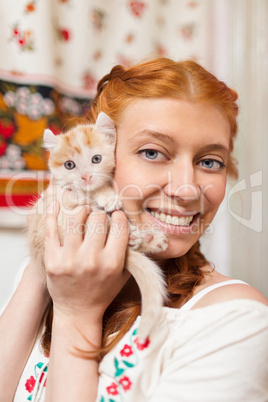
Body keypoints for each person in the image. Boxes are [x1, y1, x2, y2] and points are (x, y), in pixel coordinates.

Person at [1, 57, 268, 402]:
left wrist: (76, 314)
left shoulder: (235, 322)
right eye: (153, 153)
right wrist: (47, 245)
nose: (186, 190)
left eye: (209, 162)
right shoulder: (54, 269)